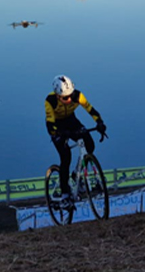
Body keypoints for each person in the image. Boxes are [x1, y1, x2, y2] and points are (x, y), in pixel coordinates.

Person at [44, 75, 106, 204]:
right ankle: (65, 193)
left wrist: (100, 122)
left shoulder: (78, 95)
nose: (70, 99)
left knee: (89, 144)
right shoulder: (50, 101)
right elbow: (50, 124)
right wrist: (59, 132)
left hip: (71, 121)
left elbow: (91, 109)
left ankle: (76, 173)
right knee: (66, 157)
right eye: (66, 97)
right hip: (57, 127)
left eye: (71, 95)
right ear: (57, 96)